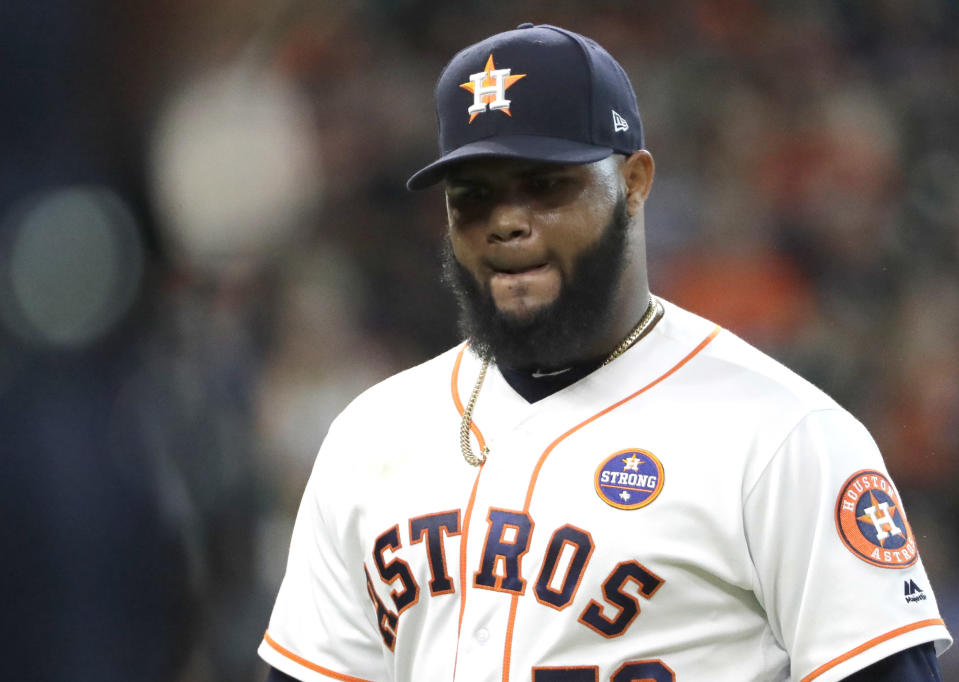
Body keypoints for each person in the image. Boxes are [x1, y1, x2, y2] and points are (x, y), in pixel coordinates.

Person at [258, 24, 952, 681]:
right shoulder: (371, 435)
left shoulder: (782, 437)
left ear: (635, 181)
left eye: (546, 185)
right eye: (473, 197)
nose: (506, 223)